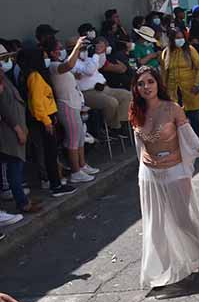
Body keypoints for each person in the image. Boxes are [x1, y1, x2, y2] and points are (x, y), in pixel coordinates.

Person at [129, 66, 199, 293]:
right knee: (154, 224)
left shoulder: (172, 109)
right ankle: (160, 270)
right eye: (141, 84)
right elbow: (139, 146)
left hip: (175, 170)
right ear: (136, 88)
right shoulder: (135, 110)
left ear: (158, 84)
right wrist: (142, 173)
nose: (146, 87)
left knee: (181, 219)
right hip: (148, 174)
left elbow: (188, 136)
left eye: (150, 82)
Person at [16, 48, 76, 197]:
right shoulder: (34, 76)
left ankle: (54, 181)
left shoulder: (29, 74)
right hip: (44, 119)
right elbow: (36, 103)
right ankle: (55, 185)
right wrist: (47, 121)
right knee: (50, 153)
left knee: (49, 152)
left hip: (44, 117)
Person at [46, 36, 98, 183]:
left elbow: (69, 71)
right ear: (53, 52)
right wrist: (77, 46)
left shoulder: (60, 65)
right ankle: (75, 171)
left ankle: (82, 165)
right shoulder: (53, 66)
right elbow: (68, 66)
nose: (62, 50)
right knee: (73, 140)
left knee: (80, 137)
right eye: (59, 48)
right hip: (66, 106)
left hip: (75, 104)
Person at [0, 45, 40, 214]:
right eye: (3, 59)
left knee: (16, 168)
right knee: (15, 169)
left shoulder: (4, 78)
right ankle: (22, 203)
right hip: (10, 132)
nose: (6, 62)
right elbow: (5, 109)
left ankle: (23, 200)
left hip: (15, 129)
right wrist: (18, 129)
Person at [77, 38, 132, 137]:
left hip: (104, 88)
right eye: (82, 49)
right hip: (89, 93)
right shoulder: (73, 63)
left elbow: (101, 63)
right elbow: (89, 70)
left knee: (126, 95)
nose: (85, 51)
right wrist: (96, 54)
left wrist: (101, 51)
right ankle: (113, 127)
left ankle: (122, 123)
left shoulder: (89, 59)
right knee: (111, 102)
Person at [161, 28, 199, 137]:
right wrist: (163, 89)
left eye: (182, 38)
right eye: (177, 38)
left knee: (193, 116)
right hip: (173, 90)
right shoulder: (166, 52)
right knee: (177, 117)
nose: (180, 40)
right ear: (172, 39)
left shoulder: (190, 50)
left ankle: (196, 140)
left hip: (189, 88)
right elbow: (164, 72)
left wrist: (196, 84)